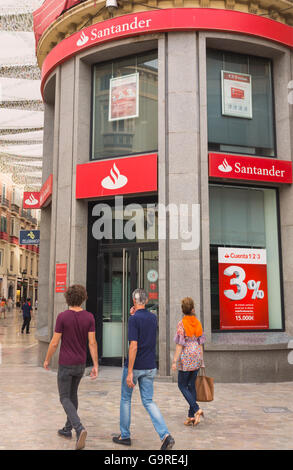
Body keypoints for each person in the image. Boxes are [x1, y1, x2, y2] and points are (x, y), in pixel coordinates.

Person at [113, 288, 175, 450]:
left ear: (134, 301)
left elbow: (133, 346)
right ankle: (165, 435)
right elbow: (144, 322)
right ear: (146, 301)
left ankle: (125, 436)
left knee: (126, 399)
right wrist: (134, 313)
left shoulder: (133, 320)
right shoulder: (153, 318)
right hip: (150, 366)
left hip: (136, 366)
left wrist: (130, 371)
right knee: (148, 401)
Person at [43, 284, 98, 450]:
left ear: (68, 298)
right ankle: (67, 429)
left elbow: (54, 342)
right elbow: (92, 342)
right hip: (80, 364)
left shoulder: (62, 317)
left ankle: (79, 428)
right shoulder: (89, 317)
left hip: (66, 363)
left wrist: (47, 359)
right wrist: (95, 364)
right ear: (83, 298)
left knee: (64, 397)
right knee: (72, 395)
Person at [172, 297, 205, 427]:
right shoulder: (197, 322)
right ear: (193, 309)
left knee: (181, 385)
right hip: (197, 355)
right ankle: (191, 416)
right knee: (191, 385)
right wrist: (201, 360)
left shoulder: (181, 324)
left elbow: (180, 345)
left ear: (183, 310)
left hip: (186, 357)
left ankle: (196, 409)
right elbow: (200, 343)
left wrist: (174, 361)